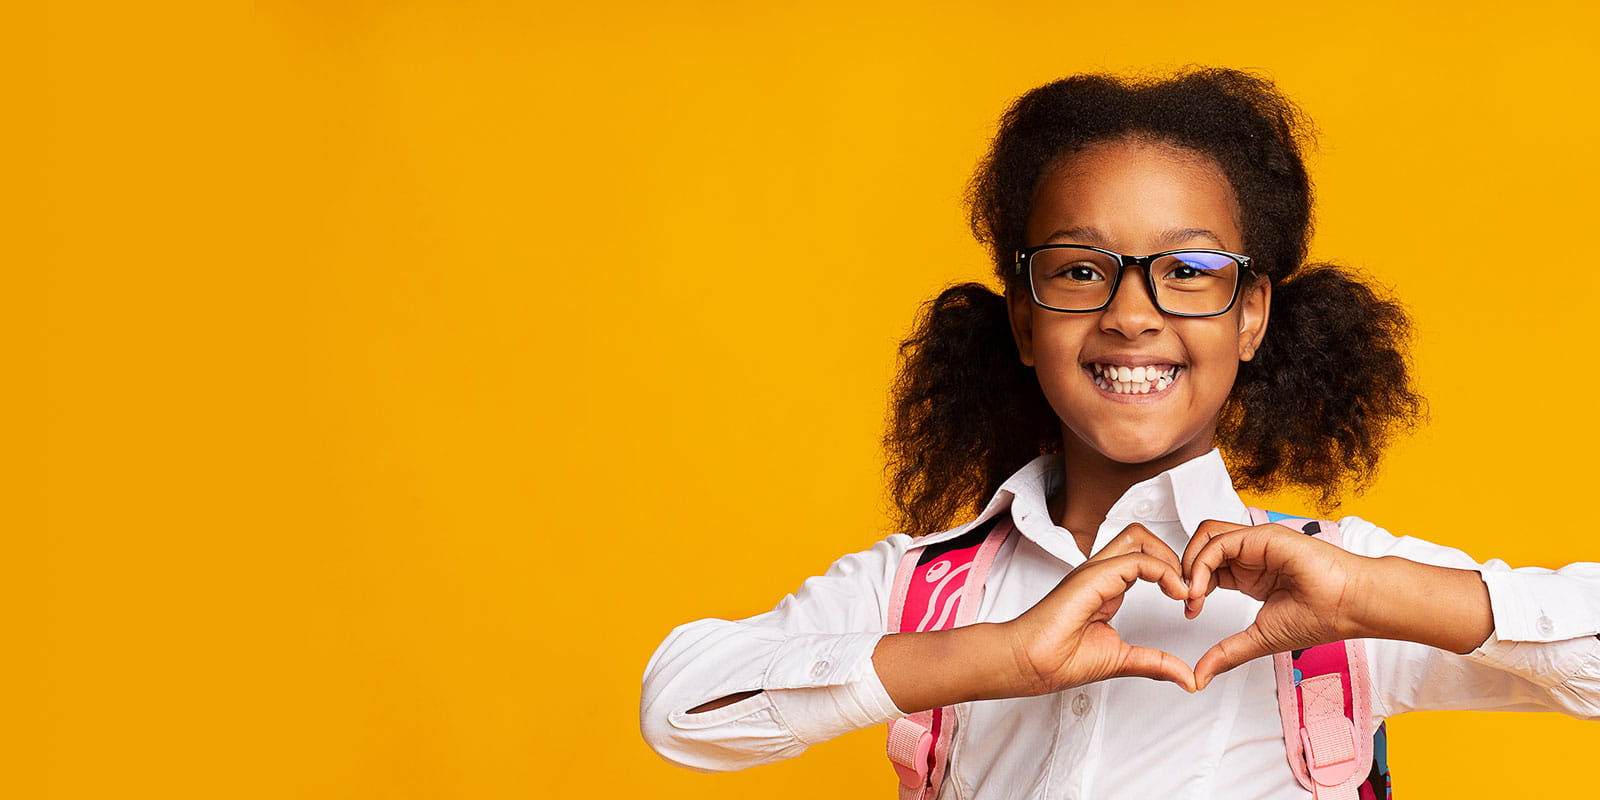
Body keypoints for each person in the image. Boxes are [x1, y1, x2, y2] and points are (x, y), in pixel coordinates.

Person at [638, 68, 1600, 799]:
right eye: (1080, 269)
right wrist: (998, 656)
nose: (1133, 314)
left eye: (1188, 270)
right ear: (1024, 318)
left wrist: (1371, 594)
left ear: (1251, 314)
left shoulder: (1343, 600)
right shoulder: (919, 591)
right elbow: (680, 708)